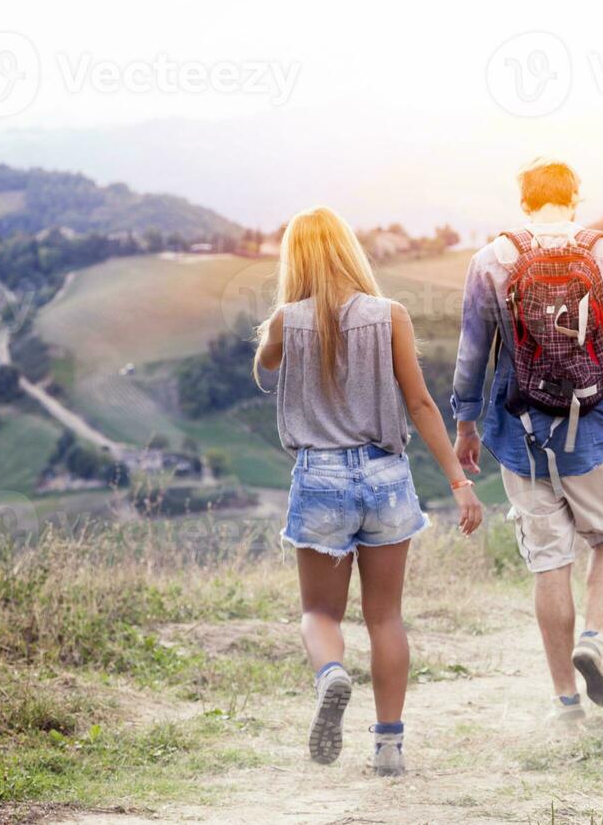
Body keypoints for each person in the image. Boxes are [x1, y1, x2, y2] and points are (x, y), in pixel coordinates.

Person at [254, 206, 483, 778]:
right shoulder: (391, 315)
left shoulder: (288, 319)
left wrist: (282, 324)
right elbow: (422, 403)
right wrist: (459, 481)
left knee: (318, 611)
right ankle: (389, 748)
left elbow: (265, 362)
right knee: (386, 618)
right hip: (385, 475)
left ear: (296, 261)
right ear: (349, 252)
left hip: (320, 477)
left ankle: (331, 674)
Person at [451, 160, 603, 723]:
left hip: (521, 434)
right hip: (598, 427)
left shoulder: (491, 260)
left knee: (550, 561)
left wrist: (466, 425)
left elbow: (473, 354)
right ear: (575, 197)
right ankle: (595, 637)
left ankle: (566, 700)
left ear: (524, 202)